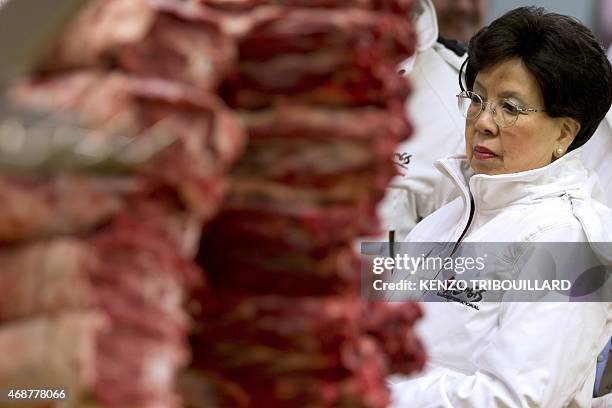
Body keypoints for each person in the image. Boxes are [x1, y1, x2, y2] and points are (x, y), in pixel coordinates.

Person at [389, 7, 612, 407]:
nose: (484, 121)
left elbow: (514, 398)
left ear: (565, 131)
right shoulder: (446, 219)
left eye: (510, 108)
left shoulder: (568, 243)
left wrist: (379, 395)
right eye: (477, 98)